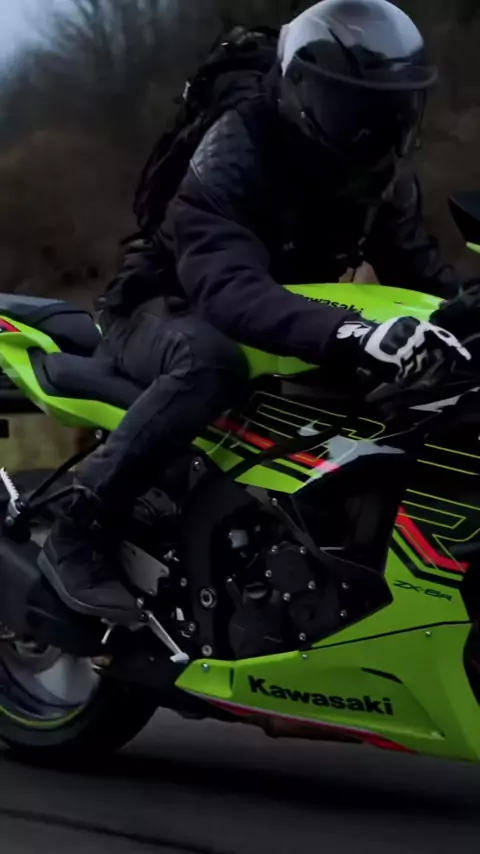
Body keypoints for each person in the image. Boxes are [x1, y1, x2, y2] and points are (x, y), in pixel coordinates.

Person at [39, 0, 472, 623]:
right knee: (209, 364)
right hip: (163, 305)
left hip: (272, 315)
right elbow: (228, 285)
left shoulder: (374, 170)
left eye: (392, 112)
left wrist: (462, 322)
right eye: (356, 110)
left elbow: (422, 274)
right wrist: (355, 332)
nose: (374, 131)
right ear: (304, 91)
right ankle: (78, 525)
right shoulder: (237, 146)